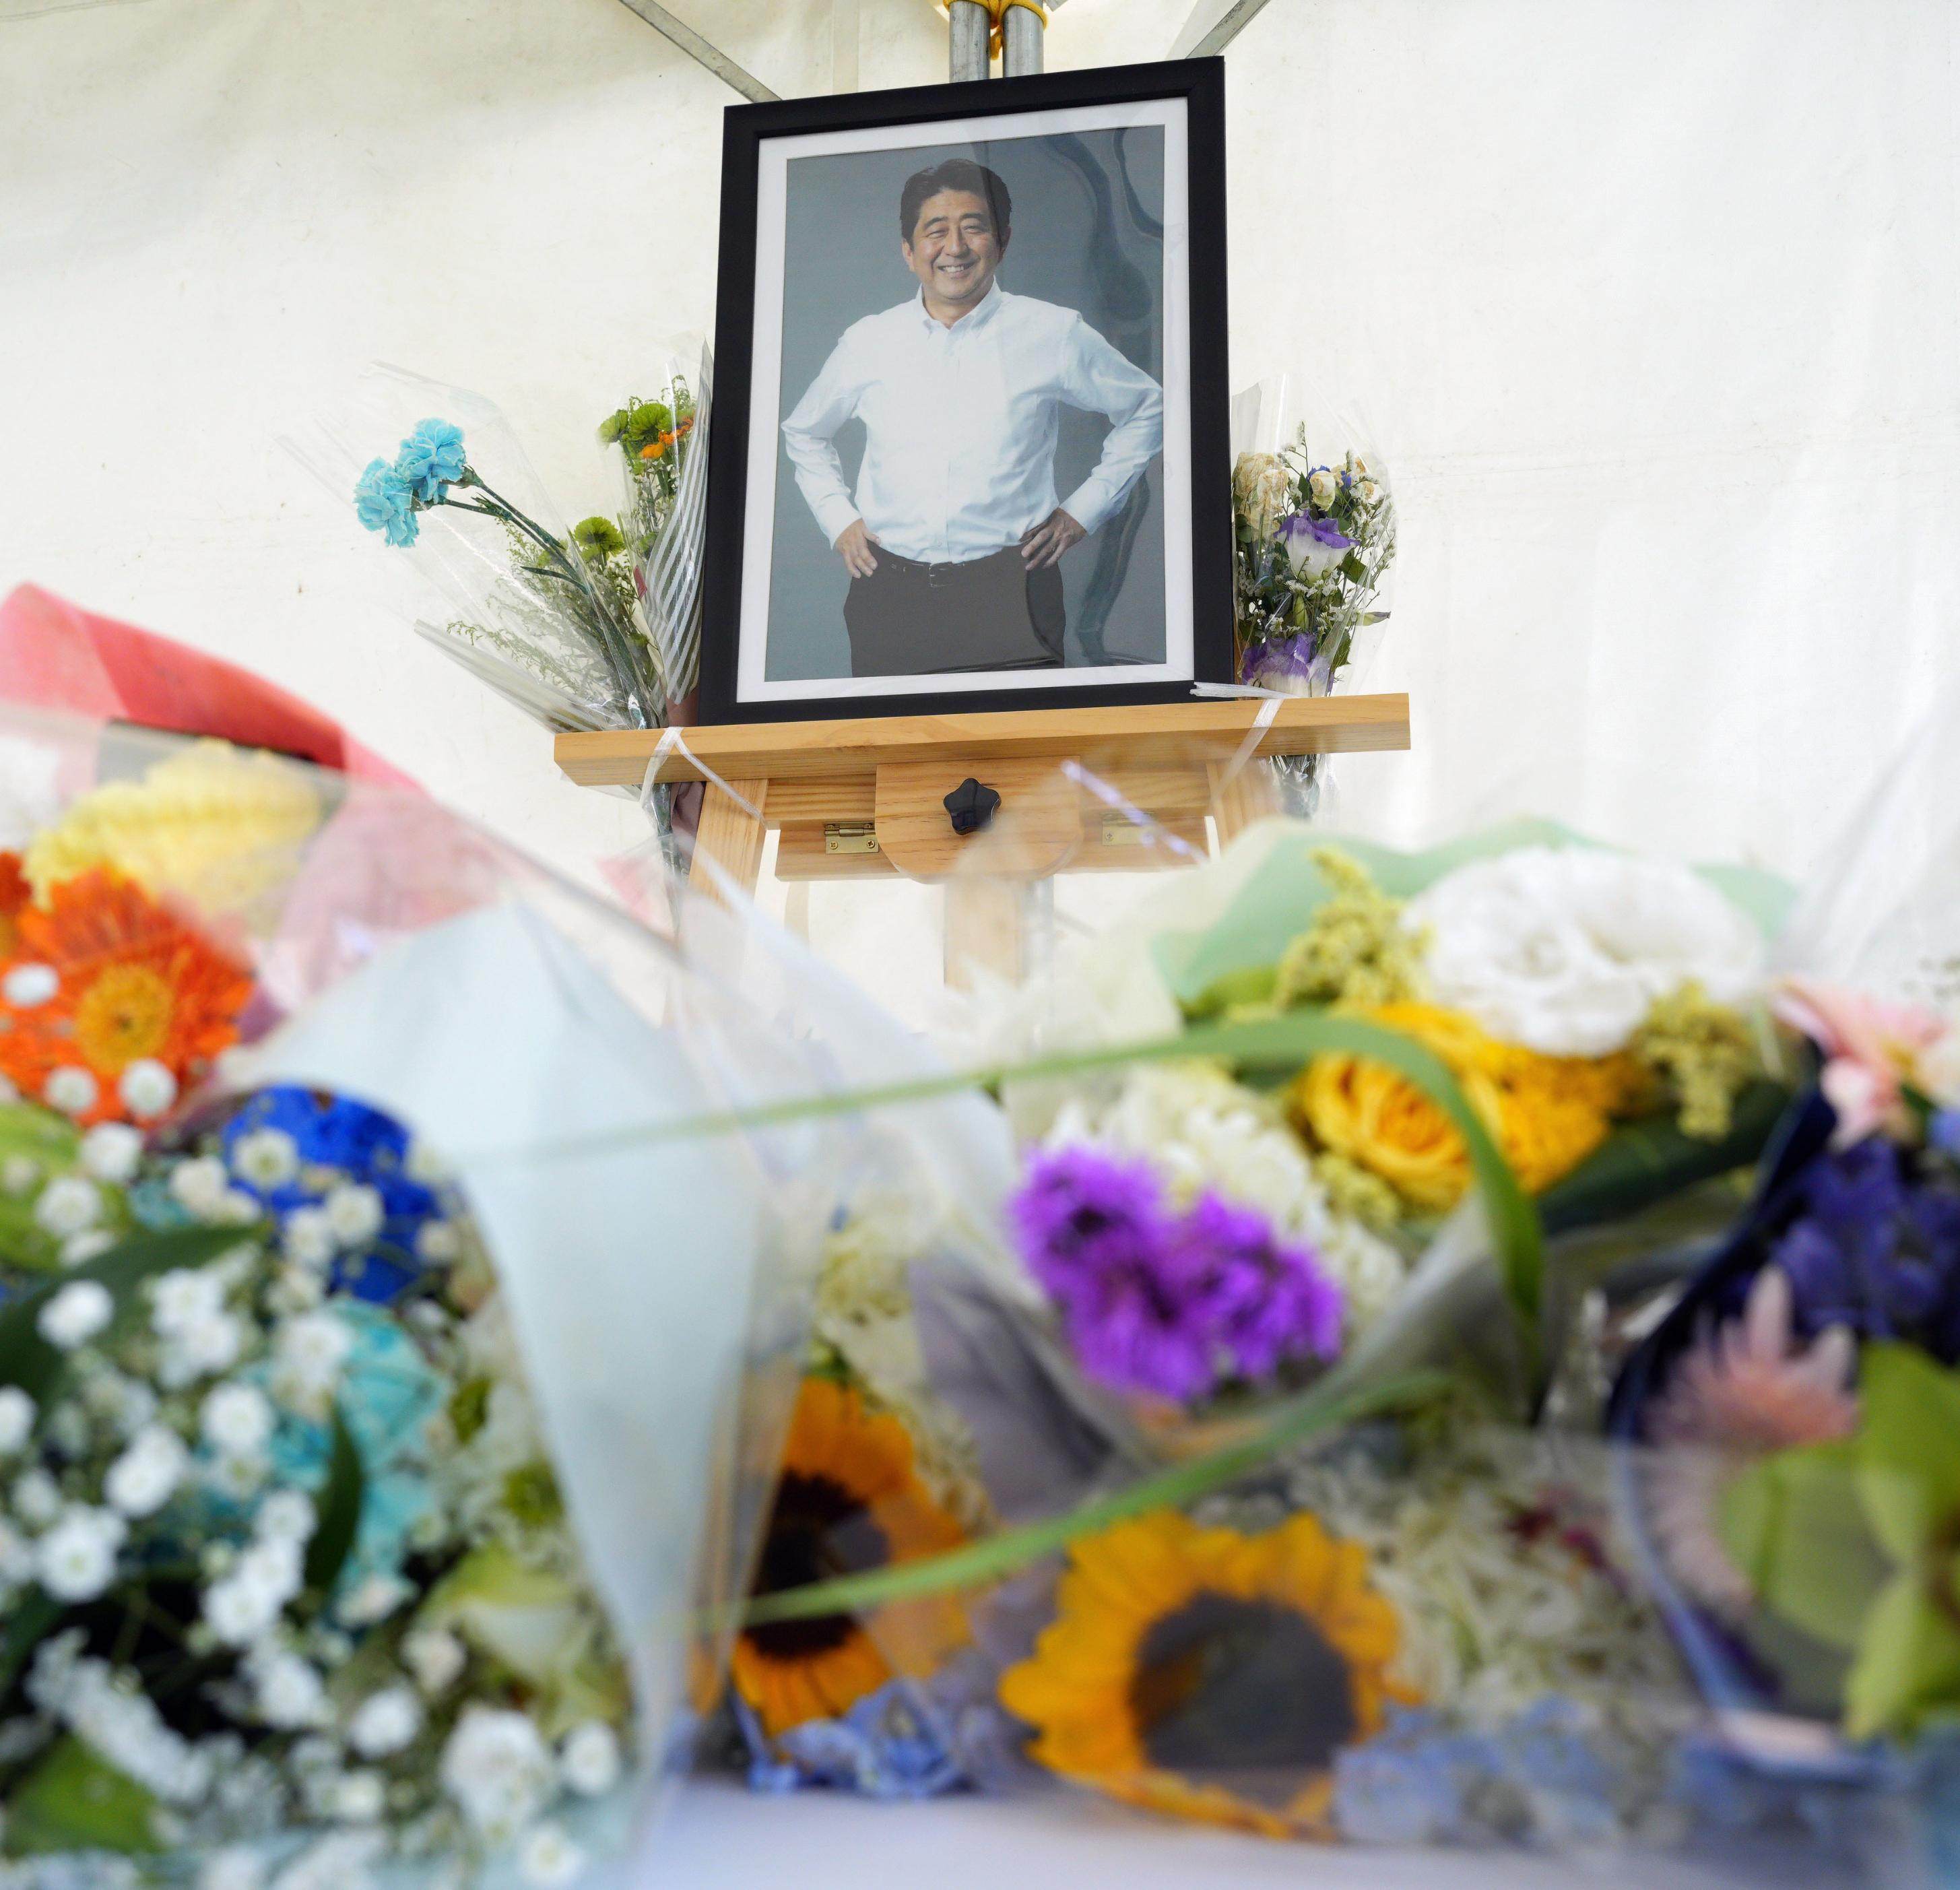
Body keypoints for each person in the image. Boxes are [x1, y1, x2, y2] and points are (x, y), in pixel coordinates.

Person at [781, 157, 1165, 678]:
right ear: (909, 252)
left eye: (973, 228)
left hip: (1014, 592)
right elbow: (804, 432)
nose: (955, 248)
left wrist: (1083, 512)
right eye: (935, 231)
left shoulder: (1053, 333)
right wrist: (838, 518)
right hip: (889, 594)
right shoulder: (868, 342)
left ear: (1001, 241)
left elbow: (1147, 407)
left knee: (1019, 752)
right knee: (895, 752)